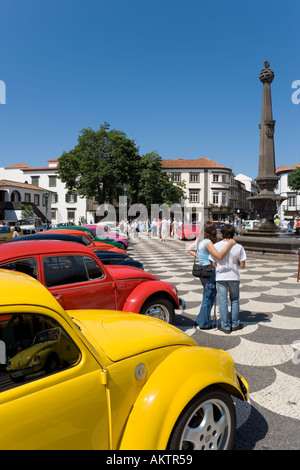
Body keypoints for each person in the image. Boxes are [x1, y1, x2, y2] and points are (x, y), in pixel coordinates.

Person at [187, 220, 236, 330]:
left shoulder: (200, 241)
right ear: (212, 231)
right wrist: (229, 245)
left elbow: (188, 249)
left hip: (202, 270)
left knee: (206, 296)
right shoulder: (208, 243)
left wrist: (200, 258)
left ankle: (200, 319)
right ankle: (204, 323)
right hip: (209, 271)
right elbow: (218, 256)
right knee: (209, 297)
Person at [209, 224, 246, 334]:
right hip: (234, 276)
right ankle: (235, 324)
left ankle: (225, 325)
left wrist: (221, 266)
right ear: (233, 233)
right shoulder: (238, 247)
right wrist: (234, 262)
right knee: (234, 300)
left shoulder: (216, 246)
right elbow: (242, 265)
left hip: (221, 277)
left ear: (222, 233)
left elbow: (213, 263)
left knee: (223, 301)